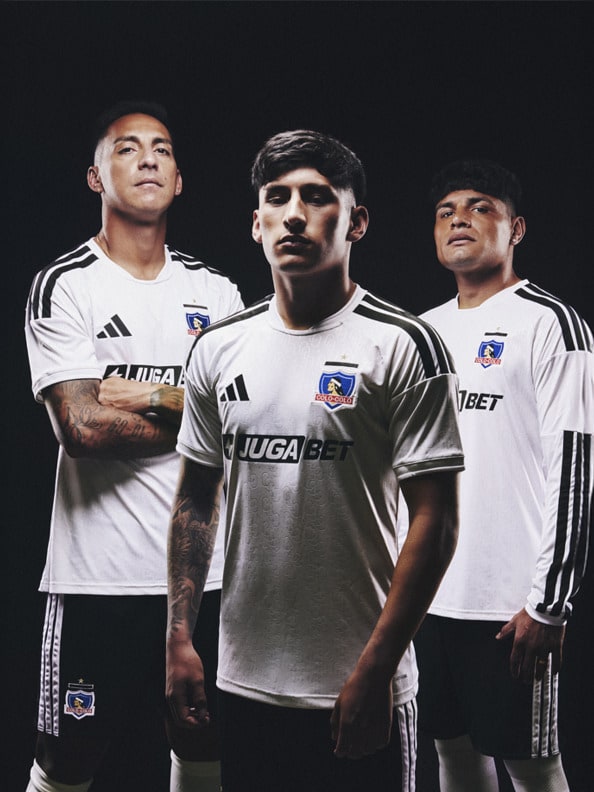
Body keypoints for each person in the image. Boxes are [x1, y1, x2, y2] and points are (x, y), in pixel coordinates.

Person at [165, 129, 465, 792]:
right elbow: (194, 499)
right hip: (242, 684)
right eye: (277, 198)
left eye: (317, 197)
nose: (294, 213)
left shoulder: (406, 344)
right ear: (256, 223)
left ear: (356, 220)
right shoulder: (219, 348)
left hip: (358, 687)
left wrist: (377, 670)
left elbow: (436, 522)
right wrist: (180, 639)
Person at [24, 100, 244, 792]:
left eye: (162, 149)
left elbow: (246, 420)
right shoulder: (66, 285)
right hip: (99, 584)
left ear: (179, 180)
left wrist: (134, 392)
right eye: (126, 148)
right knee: (67, 762)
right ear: (96, 177)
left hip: (204, 581)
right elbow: (81, 428)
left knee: (202, 743)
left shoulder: (218, 292)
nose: (148, 158)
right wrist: (196, 405)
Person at [414, 159, 593, 792]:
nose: (459, 218)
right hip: (427, 599)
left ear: (516, 228)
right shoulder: (422, 334)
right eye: (446, 211)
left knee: (533, 767)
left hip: (510, 606)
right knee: (452, 754)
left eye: (479, 206)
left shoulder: (550, 324)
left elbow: (573, 467)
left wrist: (549, 603)